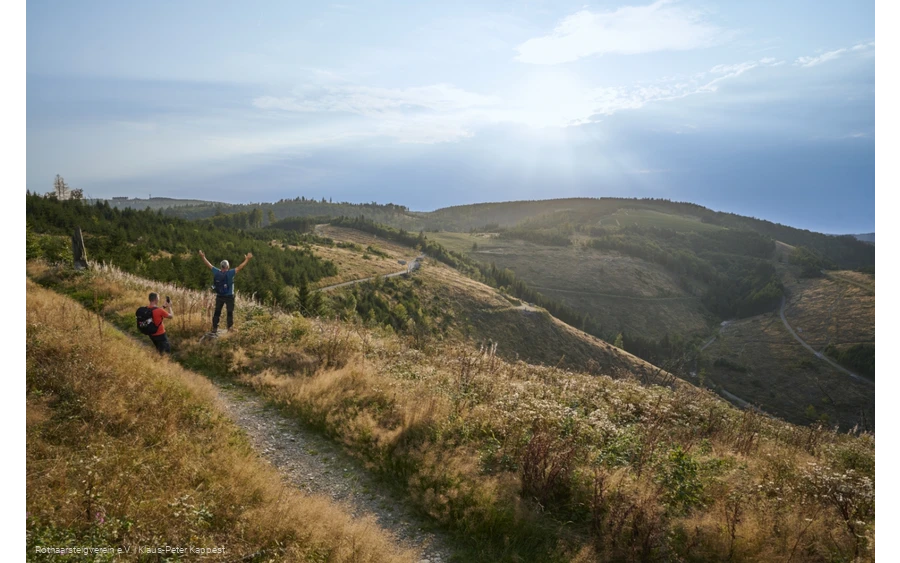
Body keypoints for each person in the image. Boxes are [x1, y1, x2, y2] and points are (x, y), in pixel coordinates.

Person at [199, 250, 253, 333]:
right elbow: (240, 267)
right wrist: (247, 259)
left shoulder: (216, 272)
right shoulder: (230, 273)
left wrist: (203, 257)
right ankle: (229, 328)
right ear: (228, 266)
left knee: (217, 312)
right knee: (229, 312)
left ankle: (214, 328)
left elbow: (209, 265)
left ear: (221, 266)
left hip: (219, 295)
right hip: (229, 296)